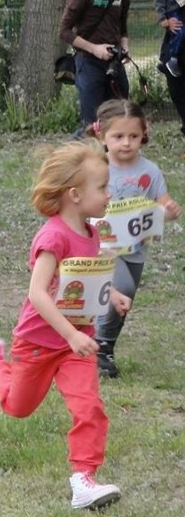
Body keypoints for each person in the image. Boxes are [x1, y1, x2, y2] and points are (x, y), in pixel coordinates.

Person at [0, 140, 129, 511]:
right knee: (17, 406)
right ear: (75, 194)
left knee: (89, 406)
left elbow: (86, 283)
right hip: (39, 342)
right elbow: (38, 293)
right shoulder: (53, 236)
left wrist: (113, 296)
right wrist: (70, 333)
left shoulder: (94, 233)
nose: (109, 194)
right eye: (103, 188)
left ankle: (83, 480)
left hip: (77, 346)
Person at [86, 100, 182, 378]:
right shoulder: (95, 168)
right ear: (101, 136)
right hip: (103, 247)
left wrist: (169, 211)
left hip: (136, 248)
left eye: (133, 136)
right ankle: (99, 350)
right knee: (121, 288)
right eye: (118, 136)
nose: (126, 143)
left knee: (124, 301)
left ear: (144, 135)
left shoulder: (150, 171)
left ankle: (105, 347)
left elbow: (162, 205)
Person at [58, 0, 130, 138]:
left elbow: (122, 28)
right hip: (88, 64)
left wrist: (124, 47)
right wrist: (94, 49)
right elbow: (64, 32)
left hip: (114, 65)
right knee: (92, 126)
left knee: (120, 119)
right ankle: (69, 160)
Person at [152, 0, 183, 77]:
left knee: (174, 36)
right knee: (180, 32)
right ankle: (172, 59)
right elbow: (159, 2)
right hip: (172, 13)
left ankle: (162, 63)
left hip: (180, 11)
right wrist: (163, 19)